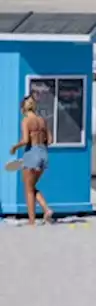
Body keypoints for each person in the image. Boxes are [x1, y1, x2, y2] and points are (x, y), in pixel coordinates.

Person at [10, 96, 53, 225]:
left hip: (32, 153)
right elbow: (50, 140)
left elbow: (25, 140)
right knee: (32, 186)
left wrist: (14, 147)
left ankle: (32, 221)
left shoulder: (26, 120)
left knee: (28, 189)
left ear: (23, 108)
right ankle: (46, 209)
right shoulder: (42, 120)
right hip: (43, 153)